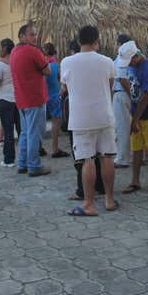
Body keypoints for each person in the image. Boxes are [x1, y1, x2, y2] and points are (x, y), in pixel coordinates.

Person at [61, 25, 117, 216]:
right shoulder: (107, 61)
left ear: (78, 41)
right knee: (107, 156)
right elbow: (110, 86)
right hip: (105, 114)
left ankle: (89, 204)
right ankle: (109, 200)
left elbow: (65, 87)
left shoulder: (67, 62)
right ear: (97, 41)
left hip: (81, 118)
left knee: (87, 160)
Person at [119, 41, 148, 195]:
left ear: (137, 56)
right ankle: (135, 181)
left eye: (131, 60)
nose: (129, 64)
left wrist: (135, 120)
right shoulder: (132, 66)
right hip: (136, 114)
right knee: (136, 149)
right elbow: (128, 83)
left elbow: (145, 96)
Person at [63, 39, 105, 201]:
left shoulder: (70, 64)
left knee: (82, 157)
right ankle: (100, 186)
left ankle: (83, 191)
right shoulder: (100, 63)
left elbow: (64, 88)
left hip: (79, 117)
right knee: (100, 154)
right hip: (99, 115)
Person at [9, 23, 51, 177]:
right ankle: (34, 165)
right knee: (35, 133)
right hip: (35, 98)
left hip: (21, 98)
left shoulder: (14, 51)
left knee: (25, 133)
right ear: (22, 36)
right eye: (32, 34)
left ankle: (23, 163)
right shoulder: (33, 51)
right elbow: (47, 71)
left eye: (35, 34)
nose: (35, 37)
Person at [0, 38, 20, 167]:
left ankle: (9, 160)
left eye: (0, 47)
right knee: (21, 129)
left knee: (8, 130)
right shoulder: (16, 62)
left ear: (4, 48)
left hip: (4, 99)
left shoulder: (0, 65)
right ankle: (24, 157)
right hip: (17, 99)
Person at [43, 43, 68, 158]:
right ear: (54, 53)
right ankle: (55, 148)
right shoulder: (56, 66)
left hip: (43, 96)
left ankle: (39, 148)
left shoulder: (42, 66)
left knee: (39, 123)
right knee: (55, 123)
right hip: (55, 95)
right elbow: (62, 81)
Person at [112, 34, 133, 168]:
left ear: (119, 44)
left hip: (122, 94)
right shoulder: (132, 55)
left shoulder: (121, 57)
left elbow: (121, 78)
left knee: (122, 127)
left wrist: (131, 94)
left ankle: (122, 159)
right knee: (130, 126)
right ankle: (135, 156)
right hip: (130, 94)